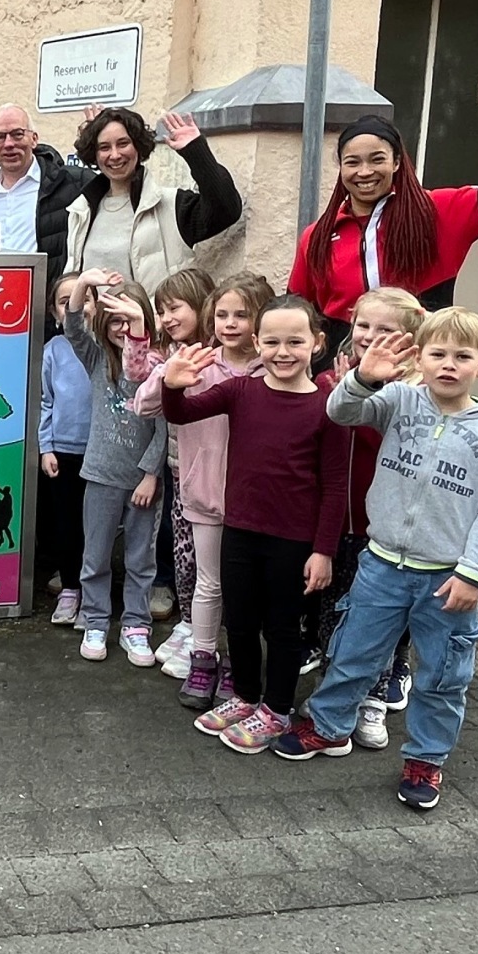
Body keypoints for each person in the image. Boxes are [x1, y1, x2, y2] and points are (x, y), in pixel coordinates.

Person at [273, 311, 478, 811]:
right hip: (381, 564)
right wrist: (364, 375)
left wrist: (473, 572)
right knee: (352, 652)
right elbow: (341, 411)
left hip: (448, 579)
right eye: (438, 354)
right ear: (420, 359)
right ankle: (328, 726)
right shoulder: (398, 400)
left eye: (462, 356)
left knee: (444, 675)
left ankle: (426, 758)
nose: (448, 365)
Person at [162, 295, 348, 755]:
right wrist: (172, 385)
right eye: (271, 342)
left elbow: (335, 487)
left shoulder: (330, 408)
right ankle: (245, 696)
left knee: (283, 629)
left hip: (293, 540)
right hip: (240, 530)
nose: (282, 352)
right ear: (257, 343)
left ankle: (277, 708)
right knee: (240, 622)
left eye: (294, 341)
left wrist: (323, 550)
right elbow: (181, 413)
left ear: (317, 344)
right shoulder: (241, 392)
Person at [289, 47, 478, 357]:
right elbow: (297, 313)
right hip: (344, 376)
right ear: (341, 168)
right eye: (352, 162)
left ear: (398, 162)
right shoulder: (317, 237)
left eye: (377, 160)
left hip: (421, 371)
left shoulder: (441, 211)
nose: (364, 172)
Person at [132, 271, 272, 704]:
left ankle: (235, 664)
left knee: (244, 589)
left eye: (242, 315)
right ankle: (203, 661)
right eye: (223, 315)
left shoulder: (272, 369)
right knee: (209, 585)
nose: (230, 324)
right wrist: (168, 377)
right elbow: (145, 404)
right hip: (205, 494)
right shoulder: (201, 362)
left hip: (255, 500)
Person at [321, 286, 427, 749]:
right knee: (342, 610)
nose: (371, 336)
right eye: (364, 325)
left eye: (386, 329)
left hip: (388, 527)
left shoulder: (418, 389)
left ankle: (376, 694)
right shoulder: (339, 377)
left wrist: (371, 386)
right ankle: (337, 689)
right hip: (340, 518)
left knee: (384, 617)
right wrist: (349, 383)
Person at [63, 269, 167, 666]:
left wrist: (150, 474)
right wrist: (84, 283)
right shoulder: (96, 359)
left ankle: (136, 624)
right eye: (115, 321)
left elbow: (164, 426)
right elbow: (74, 326)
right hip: (101, 477)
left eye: (131, 319)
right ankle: (95, 619)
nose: (123, 329)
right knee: (97, 554)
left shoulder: (157, 365)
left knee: (141, 557)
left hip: (141, 482)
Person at [124, 265, 219, 671]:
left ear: (201, 305)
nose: (167, 318)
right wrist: (137, 331)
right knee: (184, 556)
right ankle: (187, 623)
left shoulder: (219, 355)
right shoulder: (172, 355)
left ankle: (206, 635)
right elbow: (137, 379)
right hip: (181, 473)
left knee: (210, 562)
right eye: (161, 311)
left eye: (174, 308)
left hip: (218, 476)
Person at [64, 109, 242, 291]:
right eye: (104, 147)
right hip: (91, 320)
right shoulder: (81, 211)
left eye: (123, 143)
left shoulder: (171, 205)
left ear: (138, 147)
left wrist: (196, 152)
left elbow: (226, 210)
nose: (115, 155)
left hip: (151, 319)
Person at [0, 106, 87, 275]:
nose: (9, 143)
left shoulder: (69, 183)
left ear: (34, 139)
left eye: (17, 134)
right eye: (0, 137)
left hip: (46, 297)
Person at [38, 274, 90, 625]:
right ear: (54, 311)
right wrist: (46, 447)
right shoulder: (53, 351)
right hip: (63, 451)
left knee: (97, 528)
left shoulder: (106, 350)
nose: (75, 306)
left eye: (84, 297)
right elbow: (45, 401)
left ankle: (95, 593)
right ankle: (71, 588)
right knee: (67, 525)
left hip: (101, 453)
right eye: (65, 300)